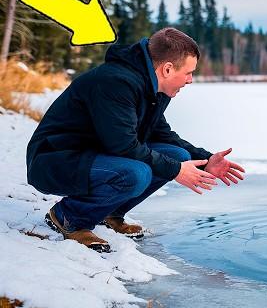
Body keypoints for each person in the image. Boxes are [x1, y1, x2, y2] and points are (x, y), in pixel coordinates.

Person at [26, 27, 245, 253]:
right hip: (55, 160)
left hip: (93, 155)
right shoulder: (116, 83)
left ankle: (109, 214)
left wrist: (206, 159)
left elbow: (162, 134)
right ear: (167, 69)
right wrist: (175, 170)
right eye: (189, 72)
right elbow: (123, 145)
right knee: (136, 173)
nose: (190, 80)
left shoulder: (153, 88)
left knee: (177, 155)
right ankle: (68, 217)